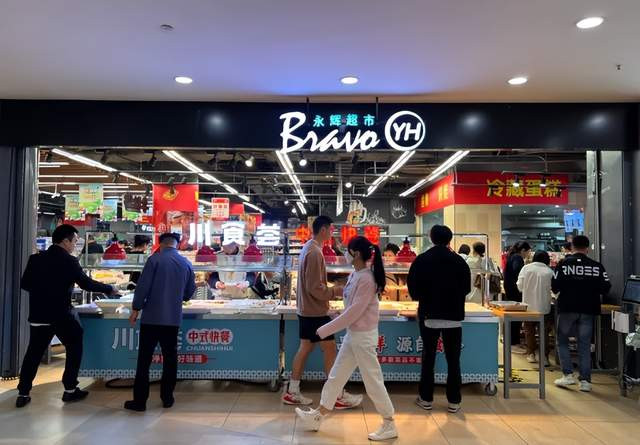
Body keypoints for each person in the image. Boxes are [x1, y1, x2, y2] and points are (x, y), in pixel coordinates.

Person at [295, 236, 397, 441]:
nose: (345, 254)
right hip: (354, 335)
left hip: (363, 338)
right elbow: (351, 308)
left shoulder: (367, 279)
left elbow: (354, 312)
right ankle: (318, 415)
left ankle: (389, 423)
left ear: (356, 254)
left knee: (373, 381)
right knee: (336, 376)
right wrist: (336, 316)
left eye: (348, 251)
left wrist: (325, 329)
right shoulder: (356, 274)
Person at [16, 224, 118, 408]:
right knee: (74, 346)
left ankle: (23, 393)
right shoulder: (69, 261)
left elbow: (25, 284)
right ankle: (70, 389)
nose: (75, 245)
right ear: (65, 241)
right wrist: (109, 288)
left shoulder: (35, 259)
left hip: (39, 315)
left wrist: (43, 292)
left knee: (33, 353)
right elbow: (86, 284)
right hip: (62, 315)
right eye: (75, 241)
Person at [282, 215, 361, 409]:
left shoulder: (308, 248)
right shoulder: (315, 252)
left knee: (306, 348)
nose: (332, 232)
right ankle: (336, 395)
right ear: (324, 230)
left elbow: (312, 285)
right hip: (315, 312)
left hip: (307, 309)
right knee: (330, 348)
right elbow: (314, 287)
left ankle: (293, 391)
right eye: (331, 229)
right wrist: (335, 291)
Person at [124, 232, 196, 411]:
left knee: (144, 360)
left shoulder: (154, 260)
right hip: (173, 319)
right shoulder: (186, 263)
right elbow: (189, 292)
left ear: (161, 244)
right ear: (177, 245)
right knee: (170, 359)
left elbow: (142, 288)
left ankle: (140, 401)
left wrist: (136, 308)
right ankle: (167, 398)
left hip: (151, 318)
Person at [408, 225, 471, 413]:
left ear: (431, 238)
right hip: (454, 316)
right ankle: (454, 401)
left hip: (429, 315)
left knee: (428, 358)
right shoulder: (459, 261)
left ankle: (426, 398)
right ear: (450, 239)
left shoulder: (422, 259)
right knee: (453, 360)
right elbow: (466, 288)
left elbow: (413, 289)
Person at [552, 235, 611, 392]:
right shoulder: (597, 266)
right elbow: (606, 287)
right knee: (584, 344)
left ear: (572, 247)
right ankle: (585, 381)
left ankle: (568, 375)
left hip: (567, 307)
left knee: (562, 340)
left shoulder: (563, 264)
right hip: (589, 308)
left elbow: (555, 286)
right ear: (588, 248)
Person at [517, 250, 554, 365]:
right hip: (544, 307)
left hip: (528, 306)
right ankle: (544, 357)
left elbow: (519, 286)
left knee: (529, 331)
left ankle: (531, 354)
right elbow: (554, 290)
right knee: (544, 333)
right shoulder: (549, 271)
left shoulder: (526, 268)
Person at [503, 241, 532, 348]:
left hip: (510, 289)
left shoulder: (512, 256)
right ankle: (514, 340)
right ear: (523, 250)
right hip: (515, 290)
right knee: (516, 315)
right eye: (528, 252)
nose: (528, 254)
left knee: (513, 315)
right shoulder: (517, 258)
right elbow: (517, 271)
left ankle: (512, 339)